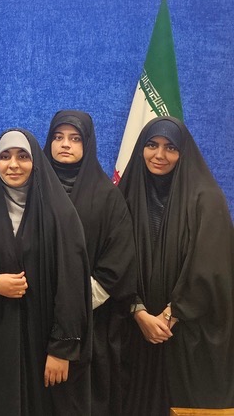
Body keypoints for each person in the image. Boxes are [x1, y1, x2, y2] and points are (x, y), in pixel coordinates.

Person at [0, 129, 90, 416]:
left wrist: (61, 349)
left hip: (44, 341)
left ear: (35, 162)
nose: (13, 165)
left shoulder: (60, 215)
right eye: (5, 156)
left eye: (22, 156)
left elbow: (72, 284)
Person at [118, 116, 234, 414]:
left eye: (170, 147)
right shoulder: (124, 196)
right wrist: (139, 313)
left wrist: (170, 315)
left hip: (186, 334)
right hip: (134, 333)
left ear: (183, 152)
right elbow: (112, 260)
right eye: (152, 145)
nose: (160, 155)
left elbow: (212, 267)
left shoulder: (206, 199)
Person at [42, 110, 137, 415]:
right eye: (58, 137)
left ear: (88, 144)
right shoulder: (32, 190)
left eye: (74, 138)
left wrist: (72, 307)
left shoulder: (107, 197)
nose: (65, 144)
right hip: (34, 321)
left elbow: (116, 265)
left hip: (91, 329)